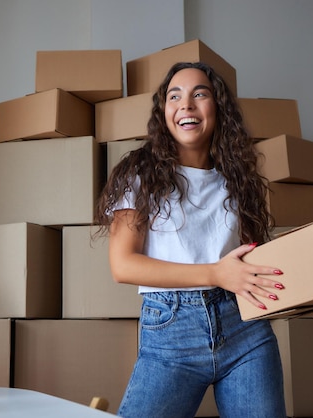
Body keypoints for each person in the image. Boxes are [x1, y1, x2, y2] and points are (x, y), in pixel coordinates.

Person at [93, 62, 287, 418]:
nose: (186, 104)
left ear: (218, 108)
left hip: (245, 330)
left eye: (200, 93)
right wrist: (215, 274)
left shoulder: (238, 179)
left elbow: (247, 258)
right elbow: (123, 266)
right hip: (172, 329)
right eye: (174, 96)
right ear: (164, 112)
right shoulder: (140, 173)